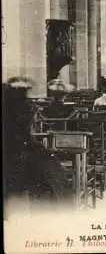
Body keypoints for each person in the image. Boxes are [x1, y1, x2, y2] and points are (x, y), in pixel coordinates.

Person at [3, 83, 71, 214]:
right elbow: (25, 138)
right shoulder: (20, 115)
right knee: (55, 174)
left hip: (17, 157)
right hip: (20, 160)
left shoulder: (18, 113)